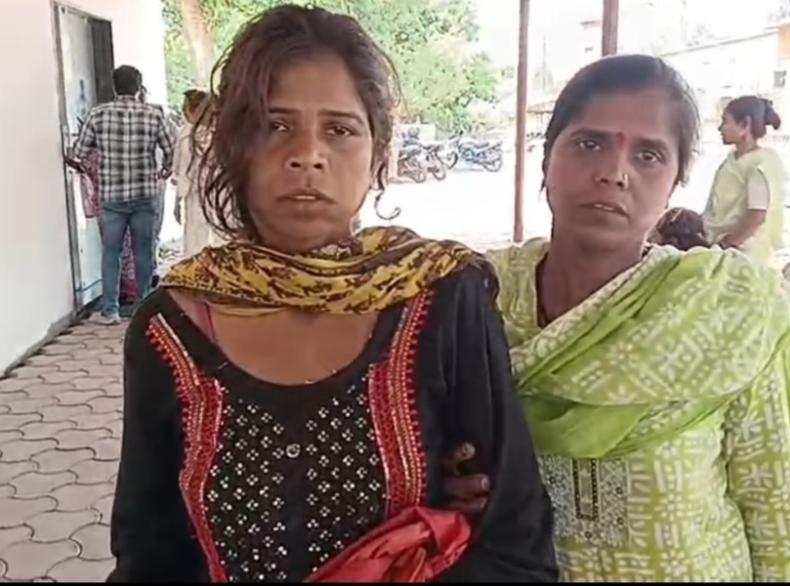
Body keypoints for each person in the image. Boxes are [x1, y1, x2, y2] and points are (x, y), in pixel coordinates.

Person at [108, 6, 556, 583]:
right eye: (274, 126)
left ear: (377, 153)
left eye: (340, 130)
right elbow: (148, 556)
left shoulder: (441, 296)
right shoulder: (170, 326)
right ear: (235, 146)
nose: (308, 154)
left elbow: (516, 545)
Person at [443, 55, 790, 581]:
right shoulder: (476, 299)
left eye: (649, 155)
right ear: (548, 159)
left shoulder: (725, 310)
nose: (613, 172)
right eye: (589, 144)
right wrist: (440, 481)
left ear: (675, 183)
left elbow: (776, 509)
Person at [69, 65, 175, 325]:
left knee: (111, 253)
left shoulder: (98, 114)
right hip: (145, 194)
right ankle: (143, 309)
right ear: (138, 87)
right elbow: (171, 148)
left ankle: (110, 311)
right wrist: (165, 169)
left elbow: (78, 152)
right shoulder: (153, 115)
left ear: (114, 87)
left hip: (112, 197)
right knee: (144, 251)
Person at [703, 96, 787, 265]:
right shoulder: (733, 160)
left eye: (725, 121)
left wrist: (727, 243)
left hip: (744, 254)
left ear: (745, 125)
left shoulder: (760, 164)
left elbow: (757, 216)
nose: (720, 128)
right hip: (723, 246)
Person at [173, 89, 220, 257]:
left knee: (195, 243)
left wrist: (177, 200)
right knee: (221, 241)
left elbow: (183, 171)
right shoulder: (222, 135)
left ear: (191, 110)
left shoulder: (186, 136)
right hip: (220, 195)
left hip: (195, 196)